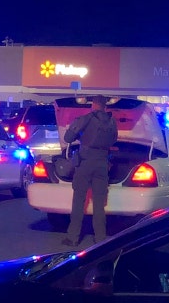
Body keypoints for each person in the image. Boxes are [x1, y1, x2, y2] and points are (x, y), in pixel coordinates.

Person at [61, 95, 118, 246]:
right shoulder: (112, 122)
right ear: (105, 106)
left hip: (85, 163)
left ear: (93, 104)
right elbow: (113, 140)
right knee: (99, 204)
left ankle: (73, 238)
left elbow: (67, 138)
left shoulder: (86, 118)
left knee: (79, 200)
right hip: (102, 164)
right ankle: (100, 238)